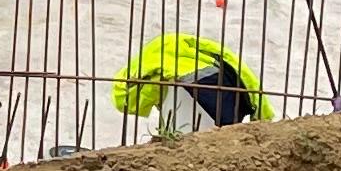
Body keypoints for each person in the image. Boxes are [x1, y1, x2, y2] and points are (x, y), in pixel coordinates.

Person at [114, 30, 268, 140]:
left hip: (205, 99)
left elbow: (125, 100)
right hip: (233, 102)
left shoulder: (147, 72)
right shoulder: (187, 53)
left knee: (181, 133)